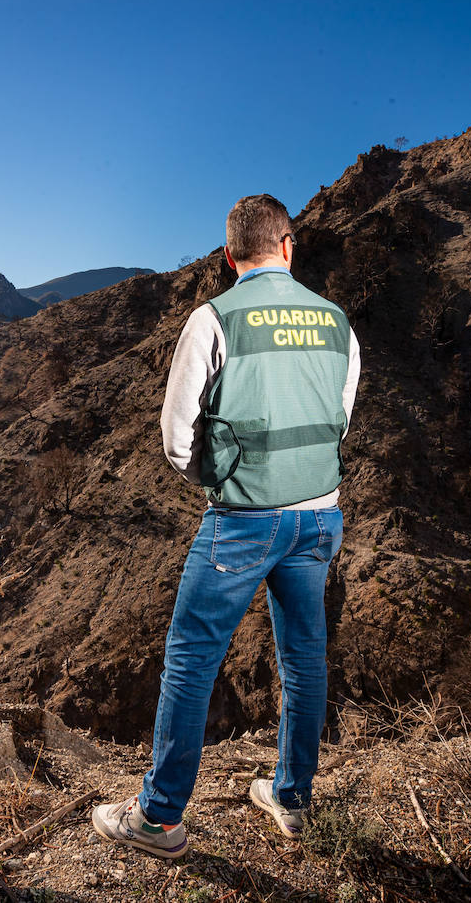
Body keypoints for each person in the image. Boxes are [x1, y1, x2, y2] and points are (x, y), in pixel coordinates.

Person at [92, 194, 360, 857]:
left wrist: (223, 480)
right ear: (289, 246)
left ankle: (159, 818)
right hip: (319, 515)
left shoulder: (215, 318)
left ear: (228, 255)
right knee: (304, 657)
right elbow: (341, 418)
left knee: (192, 659)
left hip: (242, 519)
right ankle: (292, 798)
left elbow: (176, 436)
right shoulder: (336, 322)